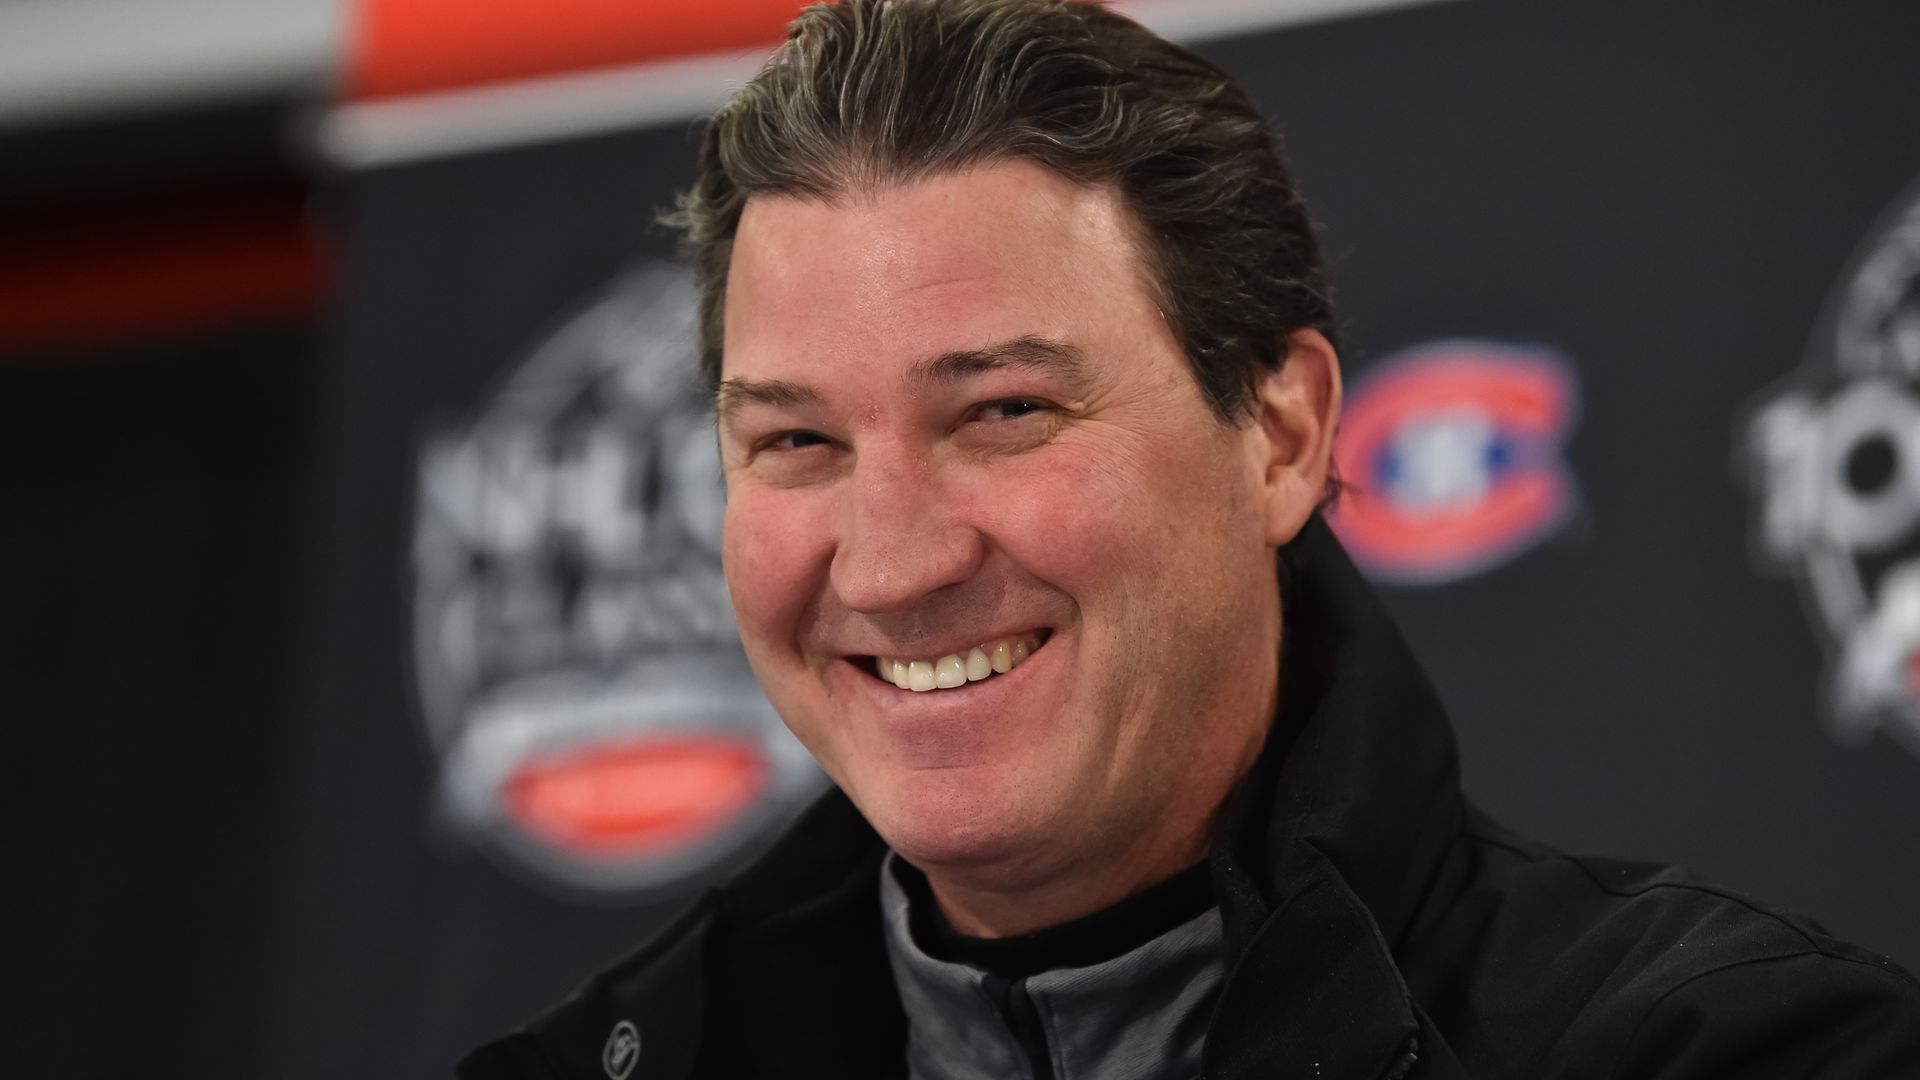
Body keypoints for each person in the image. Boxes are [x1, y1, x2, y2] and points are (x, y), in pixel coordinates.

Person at [460, 2, 1920, 1076]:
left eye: (1006, 411)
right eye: (796, 442)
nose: (892, 562)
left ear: (1281, 434)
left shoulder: (1740, 1055)